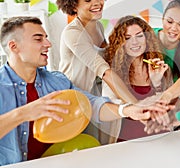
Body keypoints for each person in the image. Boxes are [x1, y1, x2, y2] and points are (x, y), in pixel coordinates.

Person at [0, 16, 170, 166]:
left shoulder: (56, 81)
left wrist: (127, 110)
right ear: (14, 46)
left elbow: (91, 104)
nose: (48, 44)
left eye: (46, 38)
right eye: (38, 39)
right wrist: (23, 114)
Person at [54, 0, 140, 143]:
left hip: (97, 96)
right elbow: (105, 71)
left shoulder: (98, 26)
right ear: (73, 5)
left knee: (104, 145)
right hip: (76, 99)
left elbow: (109, 58)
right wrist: (135, 105)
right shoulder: (73, 33)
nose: (97, 2)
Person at [103, 15, 173, 141]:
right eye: (127, 38)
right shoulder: (112, 73)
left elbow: (169, 106)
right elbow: (108, 107)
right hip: (127, 141)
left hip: (160, 137)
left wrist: (157, 83)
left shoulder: (159, 67)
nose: (134, 42)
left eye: (139, 36)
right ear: (120, 43)